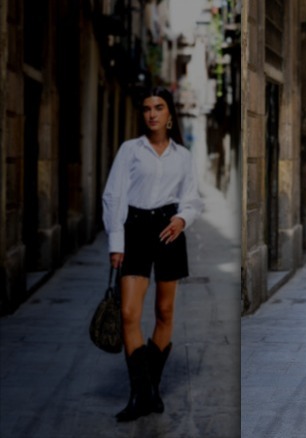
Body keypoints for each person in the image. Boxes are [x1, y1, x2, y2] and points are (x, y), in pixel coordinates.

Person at [102, 86, 203, 422]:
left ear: (169, 114)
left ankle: (151, 389)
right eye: (146, 108)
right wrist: (117, 243)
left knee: (164, 312)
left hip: (169, 231)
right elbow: (113, 195)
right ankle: (140, 393)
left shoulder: (183, 156)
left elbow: (192, 198)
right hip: (135, 230)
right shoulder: (130, 150)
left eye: (158, 107)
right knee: (129, 313)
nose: (152, 114)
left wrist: (181, 218)